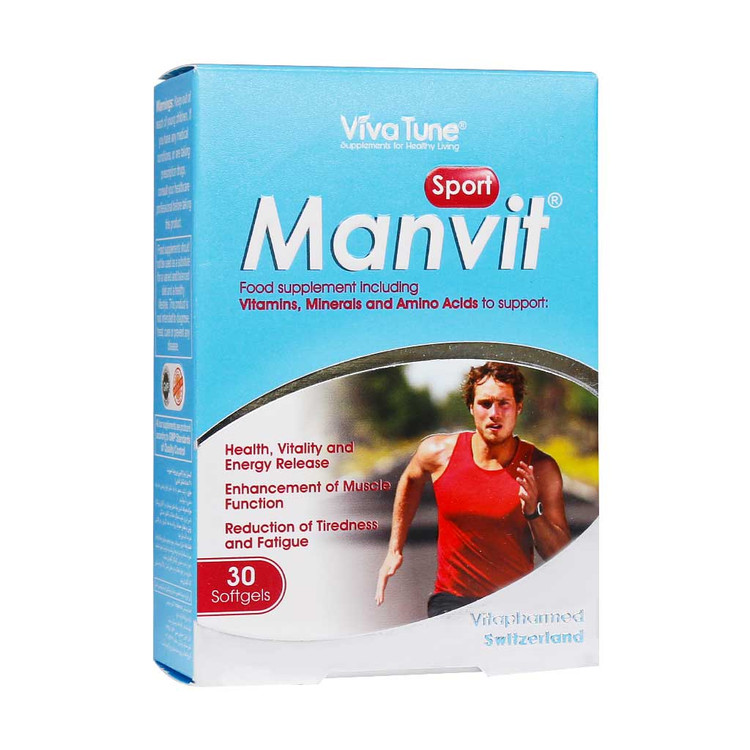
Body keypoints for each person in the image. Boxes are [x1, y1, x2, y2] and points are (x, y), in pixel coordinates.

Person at [375, 362, 571, 616]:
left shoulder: (540, 467)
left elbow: (560, 554)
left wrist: (533, 513)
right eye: (485, 404)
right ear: (471, 407)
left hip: (514, 605)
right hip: (450, 602)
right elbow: (411, 480)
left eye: (504, 403)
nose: (494, 413)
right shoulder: (438, 453)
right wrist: (394, 549)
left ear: (519, 407)